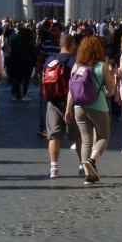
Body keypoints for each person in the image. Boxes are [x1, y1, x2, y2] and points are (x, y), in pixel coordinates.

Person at [68, 36, 117, 186]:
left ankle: (88, 175)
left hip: (78, 106)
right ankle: (92, 160)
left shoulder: (77, 66)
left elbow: (71, 88)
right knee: (103, 136)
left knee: (86, 140)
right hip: (97, 106)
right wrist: (112, 76)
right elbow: (111, 90)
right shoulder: (101, 66)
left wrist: (68, 108)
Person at [42, 33, 81, 179]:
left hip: (53, 102)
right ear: (72, 45)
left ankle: (53, 168)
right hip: (71, 103)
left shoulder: (50, 60)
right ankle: (82, 164)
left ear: (60, 45)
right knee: (78, 136)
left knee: (54, 136)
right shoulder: (75, 61)